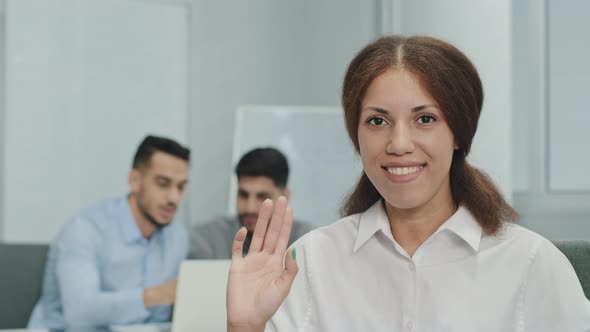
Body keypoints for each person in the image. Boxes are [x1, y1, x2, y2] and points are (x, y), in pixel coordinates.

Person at [225, 36, 590, 331]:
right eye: (377, 121)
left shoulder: (530, 264)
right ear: (357, 136)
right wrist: (244, 327)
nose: (399, 144)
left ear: (459, 133)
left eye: (425, 119)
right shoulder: (309, 262)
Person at [28, 135, 191, 329]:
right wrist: (158, 295)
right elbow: (80, 312)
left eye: (181, 187)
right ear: (135, 180)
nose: (174, 198)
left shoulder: (178, 236)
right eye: (163, 184)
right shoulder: (85, 229)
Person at [189, 147, 311, 259]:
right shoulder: (209, 238)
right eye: (243, 195)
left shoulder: (306, 239)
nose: (250, 208)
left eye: (262, 197)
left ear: (285, 196)